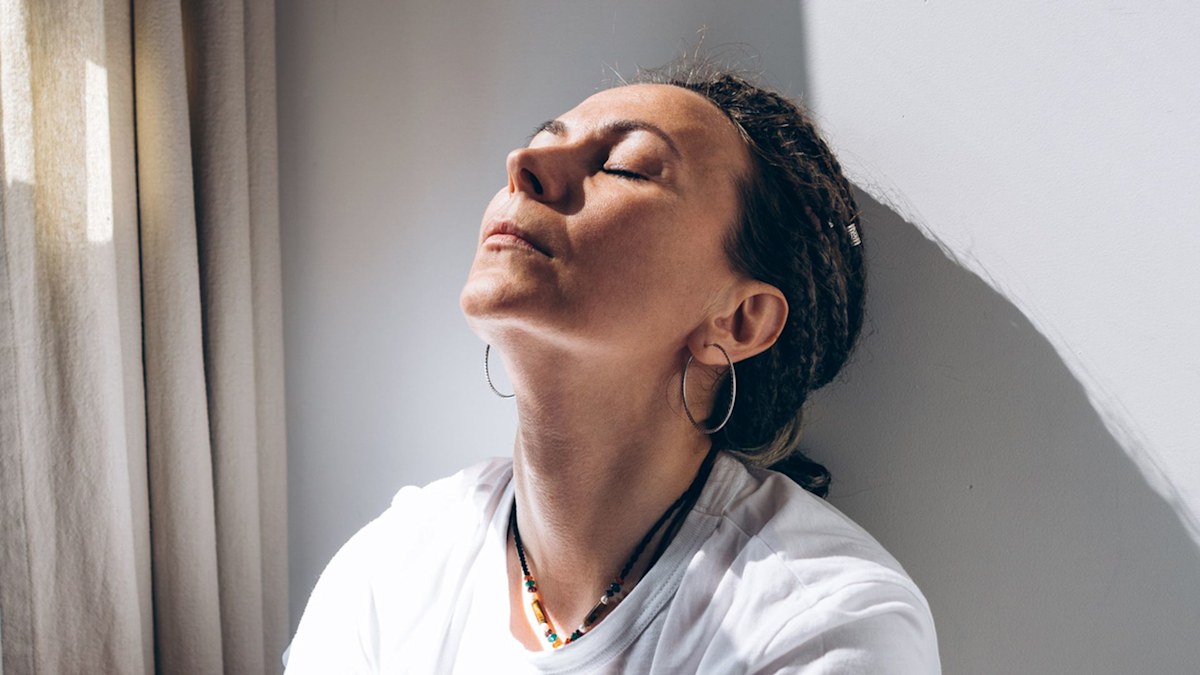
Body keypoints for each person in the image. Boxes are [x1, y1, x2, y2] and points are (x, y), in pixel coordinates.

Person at [286, 65, 940, 673]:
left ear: (739, 320)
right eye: (540, 141)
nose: (522, 164)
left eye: (625, 165)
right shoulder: (397, 566)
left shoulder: (825, 621)